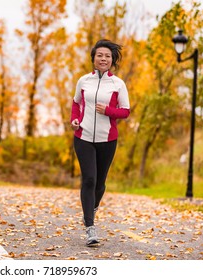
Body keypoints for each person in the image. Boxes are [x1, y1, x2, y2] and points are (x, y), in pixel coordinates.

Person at [70, 39, 130, 246]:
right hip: (83, 137)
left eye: (107, 56)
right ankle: (90, 227)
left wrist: (108, 111)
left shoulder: (118, 84)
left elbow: (125, 111)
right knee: (89, 180)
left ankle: (91, 207)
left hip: (107, 139)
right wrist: (74, 120)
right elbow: (76, 102)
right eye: (99, 55)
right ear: (93, 58)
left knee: (100, 183)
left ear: (112, 59)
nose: (103, 59)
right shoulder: (84, 80)